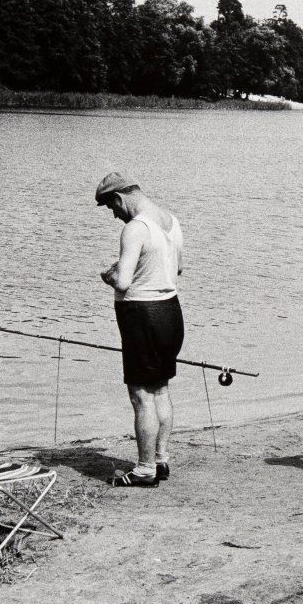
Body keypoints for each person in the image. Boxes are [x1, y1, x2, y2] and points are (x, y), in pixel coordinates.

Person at [96, 172, 184, 487]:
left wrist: (108, 275)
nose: (115, 215)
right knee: (160, 389)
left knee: (140, 394)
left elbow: (123, 280)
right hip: (171, 313)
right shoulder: (171, 221)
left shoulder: (135, 229)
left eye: (111, 208)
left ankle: (145, 468)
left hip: (141, 316)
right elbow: (178, 269)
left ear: (119, 198)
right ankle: (161, 460)